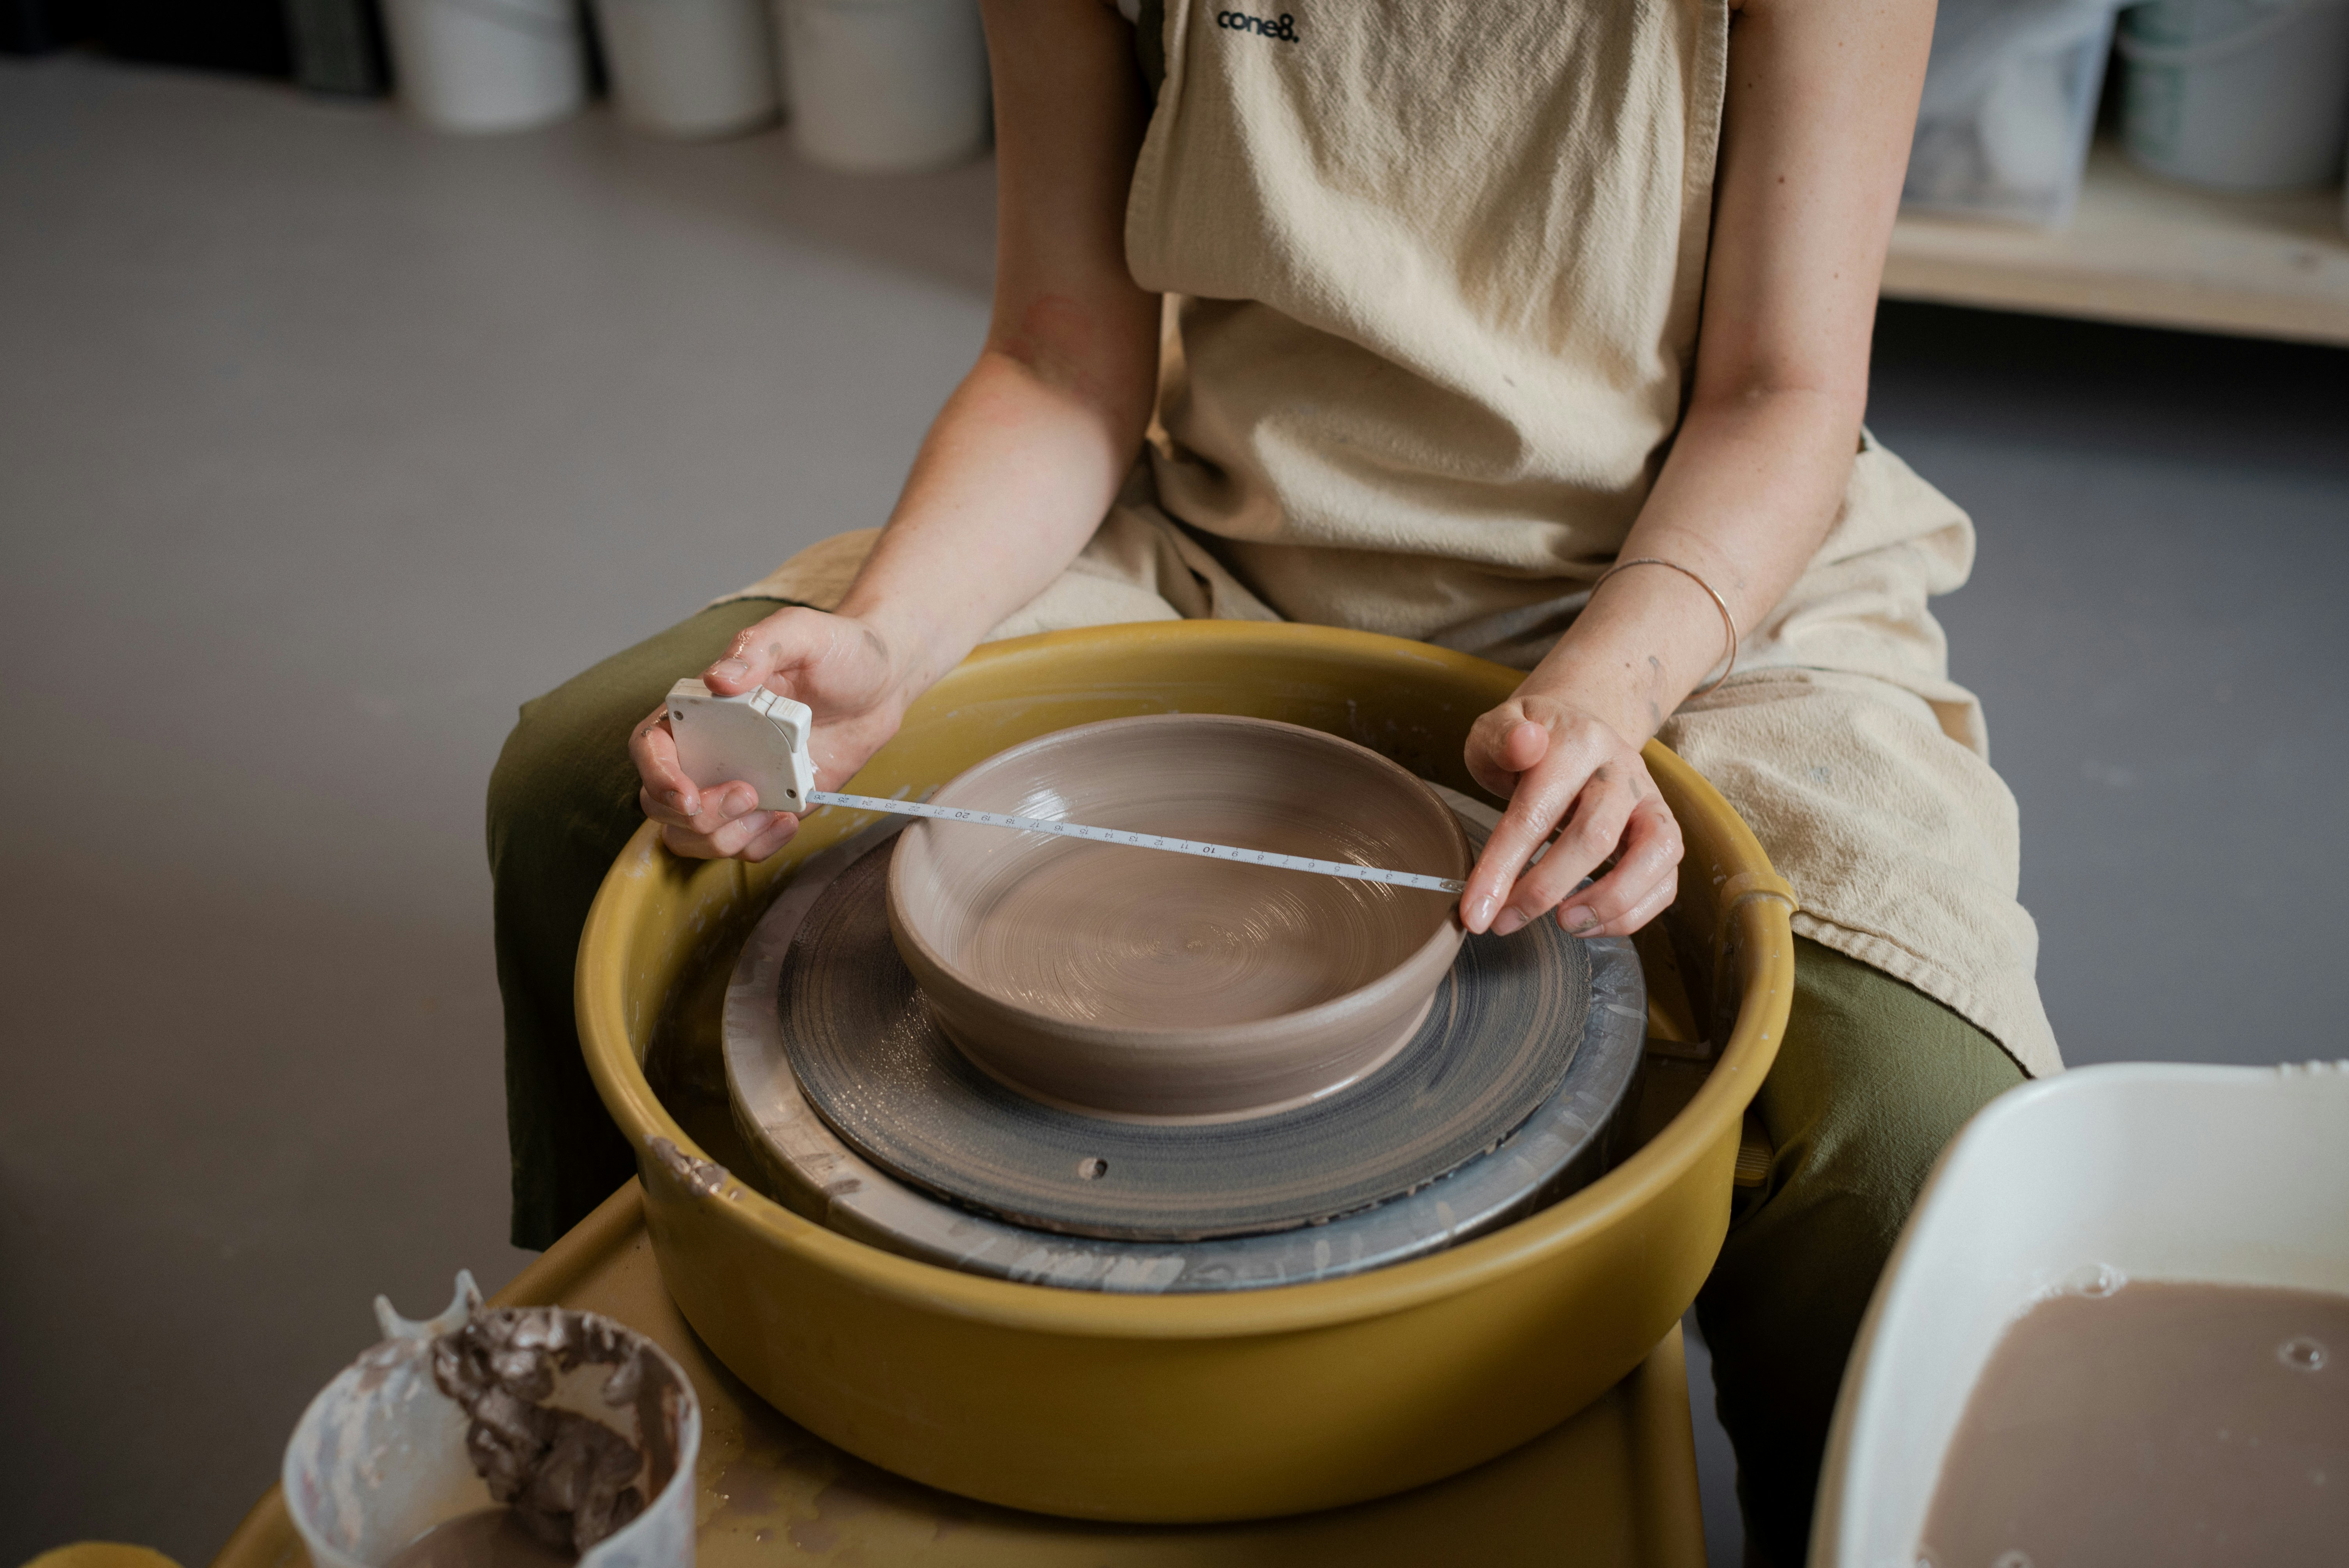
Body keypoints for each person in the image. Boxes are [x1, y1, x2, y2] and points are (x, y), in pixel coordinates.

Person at [488, 1, 2060, 1557]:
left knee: (1918, 1134)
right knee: (597, 780)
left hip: (1684, 590)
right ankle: (608, 1393)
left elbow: (1781, 395)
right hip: (1214, 546)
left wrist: (1607, 694)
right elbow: (1057, 354)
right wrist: (889, 641)